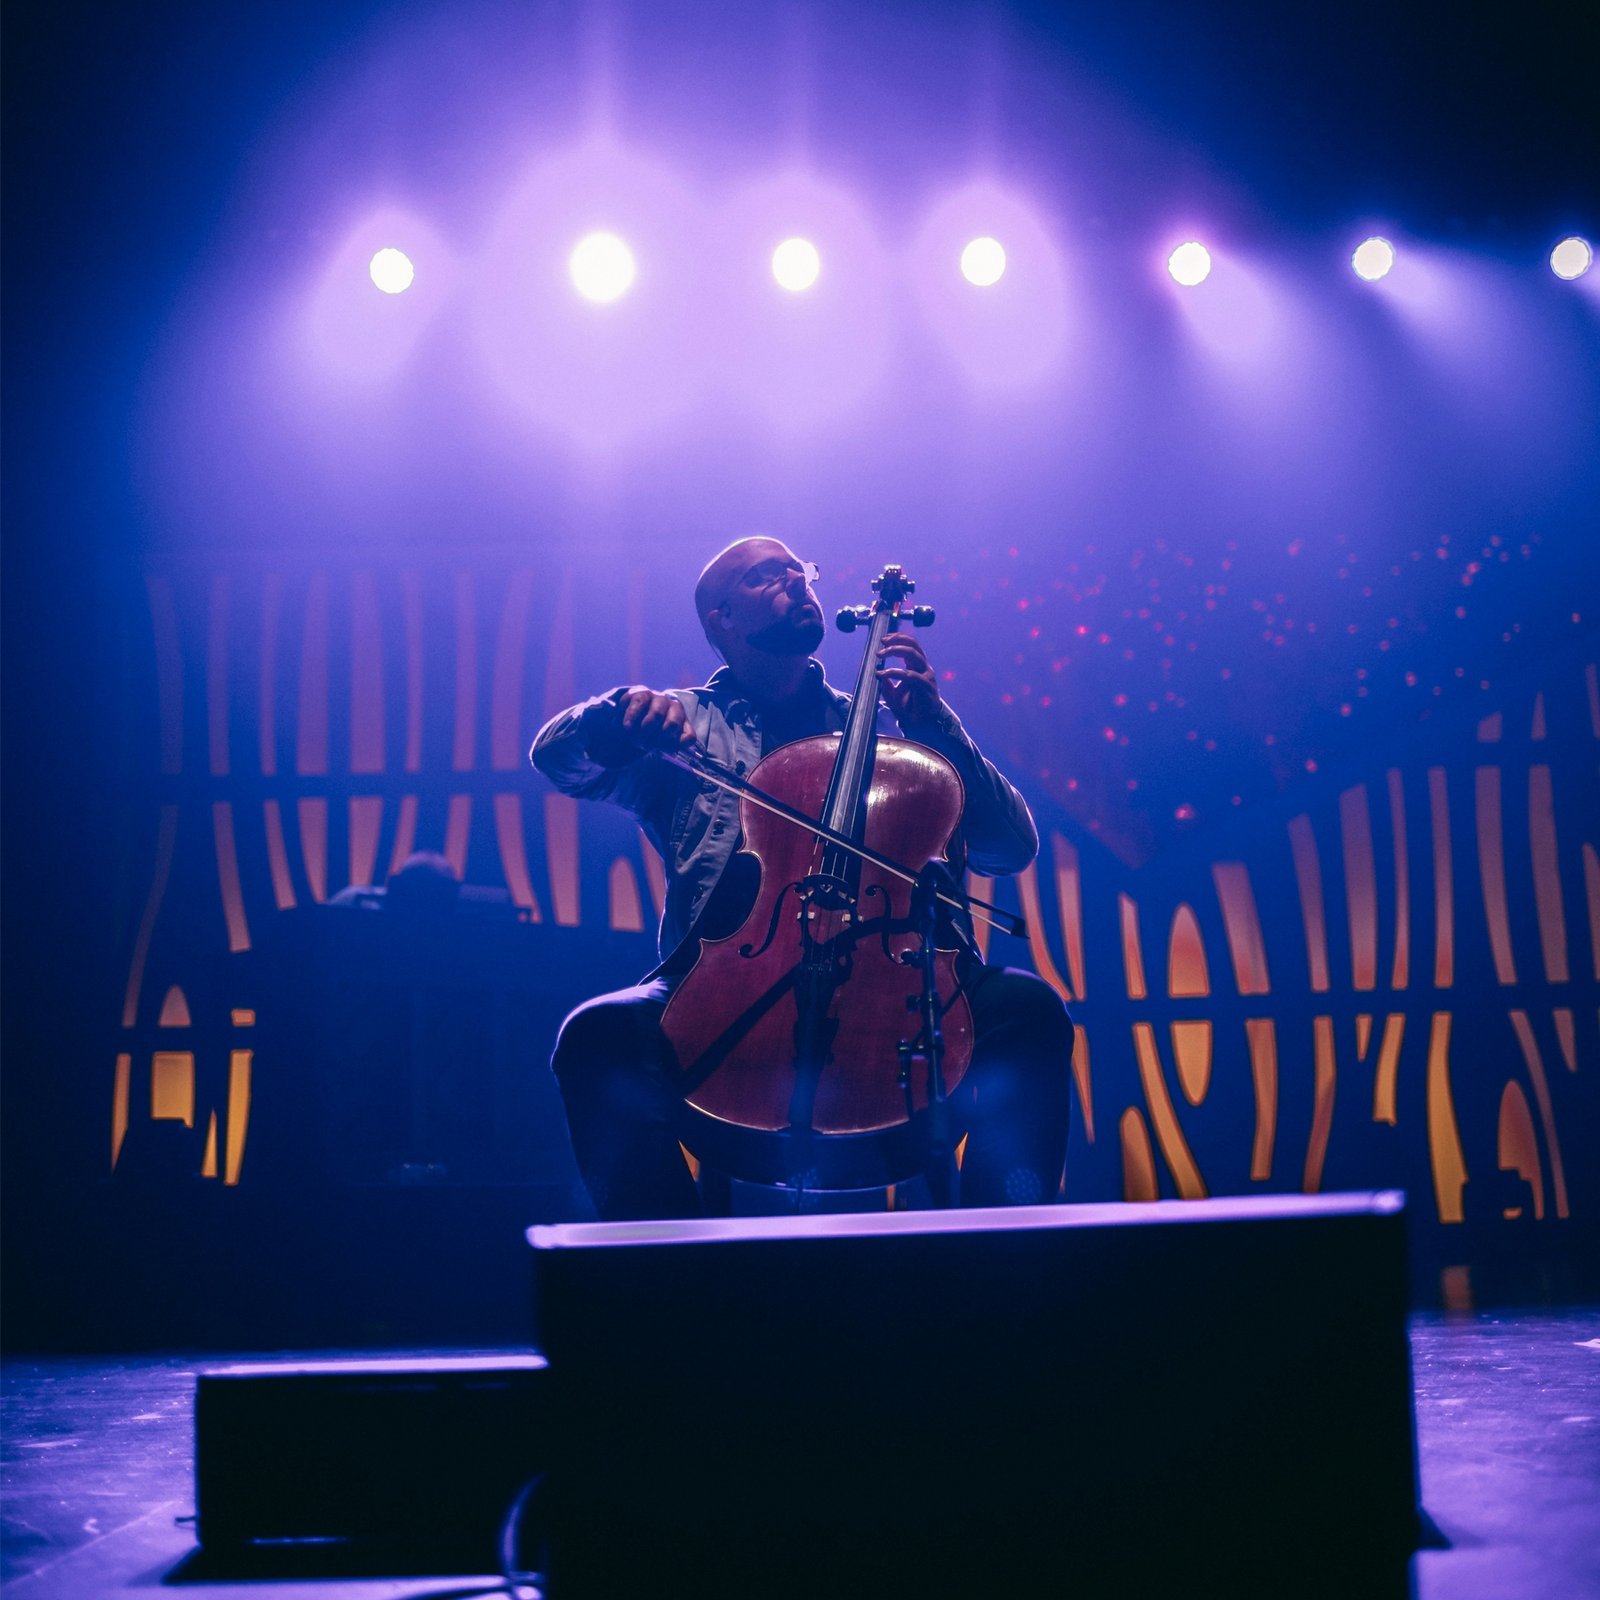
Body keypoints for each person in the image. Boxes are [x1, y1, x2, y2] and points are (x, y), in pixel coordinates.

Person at [531, 536, 1072, 1218]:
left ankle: (1007, 1255)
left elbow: (1009, 848)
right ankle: (663, 1266)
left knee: (1027, 1010)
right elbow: (558, 761)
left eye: (800, 571)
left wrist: (936, 727)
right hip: (727, 984)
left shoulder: (886, 735)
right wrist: (613, 718)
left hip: (893, 977)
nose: (794, 580)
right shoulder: (681, 729)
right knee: (597, 1035)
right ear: (722, 619)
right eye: (766, 575)